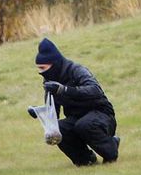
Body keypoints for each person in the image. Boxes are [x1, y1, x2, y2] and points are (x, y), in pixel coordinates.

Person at [28, 38, 119, 166]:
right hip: (76, 118)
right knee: (59, 129)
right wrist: (39, 111)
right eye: (39, 68)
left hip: (102, 114)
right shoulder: (49, 80)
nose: (41, 72)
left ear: (54, 63)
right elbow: (53, 111)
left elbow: (95, 90)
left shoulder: (77, 70)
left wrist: (64, 90)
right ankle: (86, 161)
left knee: (84, 125)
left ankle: (111, 150)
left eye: (43, 68)